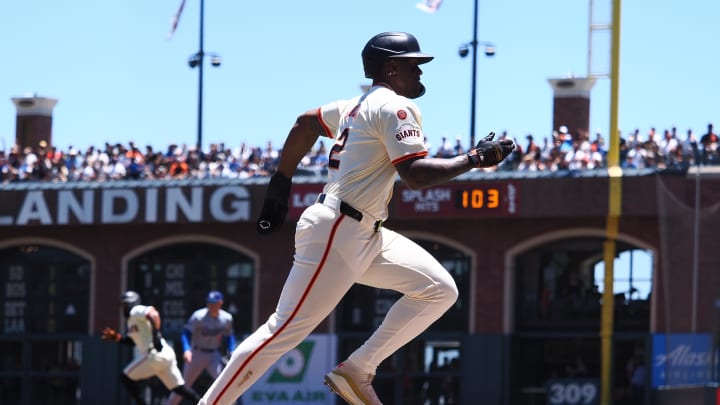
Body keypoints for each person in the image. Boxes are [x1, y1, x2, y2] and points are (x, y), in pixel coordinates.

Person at [199, 31, 514, 405]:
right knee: (281, 331)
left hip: (364, 232)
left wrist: (280, 181)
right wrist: (474, 159)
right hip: (340, 229)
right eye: (414, 65)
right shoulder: (394, 106)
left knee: (439, 290)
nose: (420, 74)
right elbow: (416, 175)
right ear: (392, 67)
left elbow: (305, 123)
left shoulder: (355, 105)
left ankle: (358, 368)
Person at [101, 290, 200, 405]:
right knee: (179, 388)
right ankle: (204, 403)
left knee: (126, 378)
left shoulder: (135, 310)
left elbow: (153, 314)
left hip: (154, 354)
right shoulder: (131, 322)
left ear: (132, 303)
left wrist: (156, 335)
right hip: (164, 354)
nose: (124, 308)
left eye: (125, 304)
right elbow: (132, 342)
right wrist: (117, 337)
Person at [167, 291, 236, 405]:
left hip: (214, 355)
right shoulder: (198, 316)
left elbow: (229, 336)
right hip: (196, 354)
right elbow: (186, 334)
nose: (211, 305)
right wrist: (187, 349)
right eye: (209, 303)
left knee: (225, 382)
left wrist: (232, 349)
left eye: (214, 303)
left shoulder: (227, 318)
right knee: (183, 385)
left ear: (220, 303)